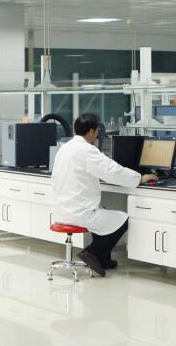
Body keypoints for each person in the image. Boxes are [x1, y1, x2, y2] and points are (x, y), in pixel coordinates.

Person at [51, 113, 157, 276]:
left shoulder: (65, 148)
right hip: (80, 212)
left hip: (62, 210)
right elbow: (112, 171)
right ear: (91, 132)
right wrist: (140, 178)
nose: (97, 135)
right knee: (122, 220)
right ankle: (92, 252)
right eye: (97, 132)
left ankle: (103, 259)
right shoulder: (87, 150)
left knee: (104, 214)